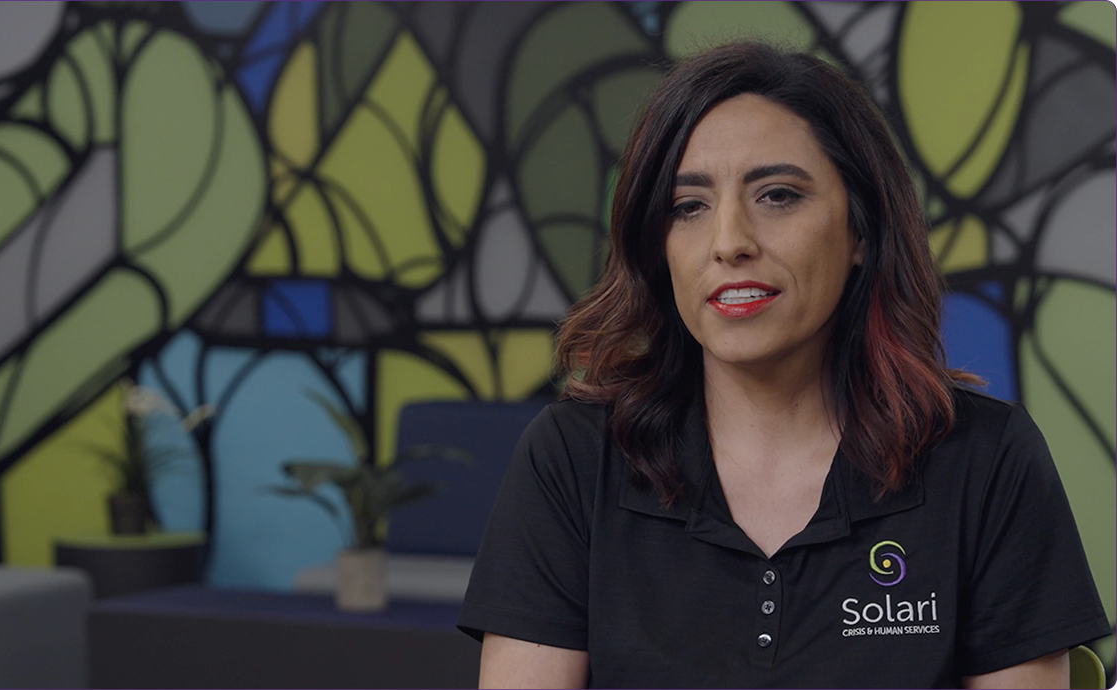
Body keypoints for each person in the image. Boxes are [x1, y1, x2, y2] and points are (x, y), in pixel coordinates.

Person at [457, 42, 1110, 688]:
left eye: (777, 195)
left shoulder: (987, 460)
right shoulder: (573, 460)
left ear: (861, 230)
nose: (730, 242)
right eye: (688, 206)